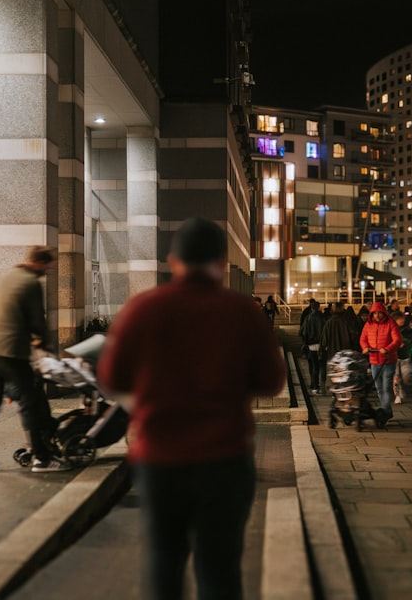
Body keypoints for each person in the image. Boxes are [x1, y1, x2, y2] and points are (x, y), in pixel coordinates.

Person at [97, 217, 285, 600]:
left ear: (173, 261)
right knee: (219, 568)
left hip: (160, 459)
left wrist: (146, 401)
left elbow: (112, 378)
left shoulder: (143, 308)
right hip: (225, 459)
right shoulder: (242, 312)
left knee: (164, 562)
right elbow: (271, 382)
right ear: (220, 262)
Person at [0, 246, 73, 474]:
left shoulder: (7, 277)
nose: (48, 271)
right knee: (30, 402)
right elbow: (37, 321)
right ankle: (41, 459)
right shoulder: (32, 283)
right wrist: (46, 347)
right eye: (48, 266)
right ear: (40, 263)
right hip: (12, 351)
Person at [359, 301, 402, 422]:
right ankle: (387, 411)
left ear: (384, 313)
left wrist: (387, 349)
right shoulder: (368, 325)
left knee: (386, 386)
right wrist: (365, 348)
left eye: (379, 313)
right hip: (374, 360)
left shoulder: (390, 324)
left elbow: (397, 339)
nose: (377, 316)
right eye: (374, 313)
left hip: (388, 361)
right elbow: (363, 338)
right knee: (378, 387)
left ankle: (385, 411)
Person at [320, 300, 360, 392]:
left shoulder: (329, 322)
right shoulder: (346, 321)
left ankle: (336, 391)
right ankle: (344, 389)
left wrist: (321, 351)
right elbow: (353, 336)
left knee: (335, 373)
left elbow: (324, 340)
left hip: (333, 353)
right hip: (345, 352)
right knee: (345, 373)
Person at [301, 300, 325, 394]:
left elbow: (303, 331)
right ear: (318, 307)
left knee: (314, 366)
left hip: (310, 344)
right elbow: (321, 331)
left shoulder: (308, 317)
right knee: (322, 365)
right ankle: (322, 386)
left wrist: (306, 341)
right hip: (319, 344)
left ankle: (315, 386)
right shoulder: (321, 317)